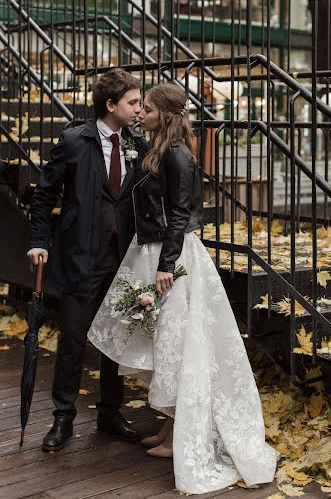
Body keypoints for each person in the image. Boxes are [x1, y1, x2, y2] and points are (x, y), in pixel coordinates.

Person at [88, 82, 278, 494]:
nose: (142, 114)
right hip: (150, 250)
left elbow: (180, 214)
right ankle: (169, 424)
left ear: (167, 114)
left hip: (170, 257)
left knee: (179, 344)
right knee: (164, 343)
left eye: (149, 108)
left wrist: (166, 266)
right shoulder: (159, 146)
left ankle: (181, 436)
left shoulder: (177, 155)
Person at [27, 68, 148, 452]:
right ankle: (63, 417)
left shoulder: (137, 143)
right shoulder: (74, 141)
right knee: (74, 339)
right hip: (82, 257)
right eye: (132, 102)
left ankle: (110, 412)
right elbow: (44, 194)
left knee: (116, 339)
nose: (139, 109)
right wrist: (38, 240)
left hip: (123, 258)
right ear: (110, 105)